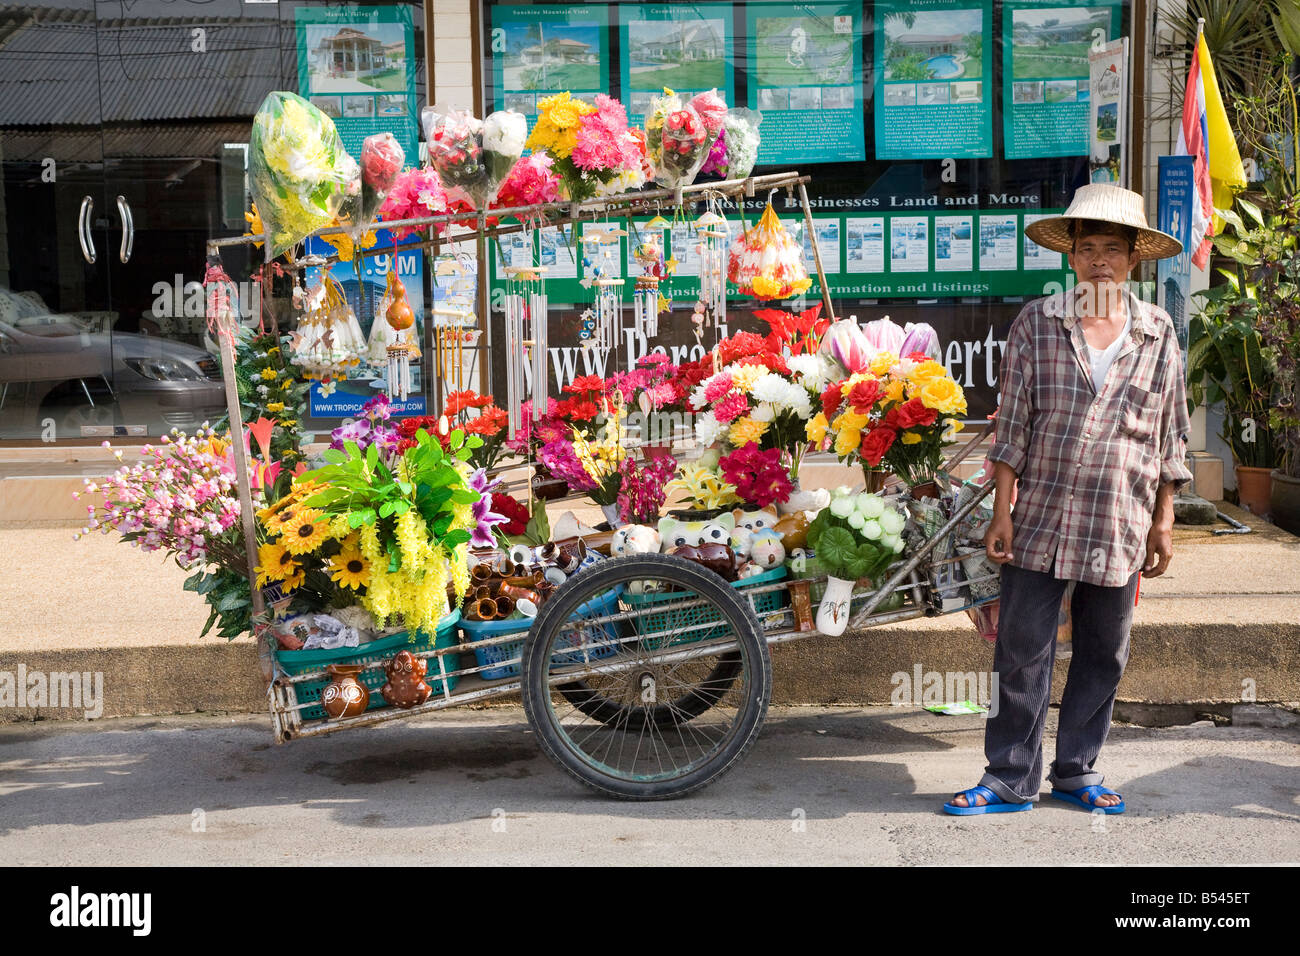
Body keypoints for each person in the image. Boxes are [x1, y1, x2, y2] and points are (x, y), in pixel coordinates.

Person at [944, 184, 1192, 815]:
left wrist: (1164, 521)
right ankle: (1008, 777)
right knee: (1021, 649)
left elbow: (1170, 434)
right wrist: (1001, 510)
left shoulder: (1158, 332)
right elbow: (1014, 428)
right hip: (1042, 515)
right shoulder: (1038, 321)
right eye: (1089, 249)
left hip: (1121, 518)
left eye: (1114, 249)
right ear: (1072, 257)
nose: (1101, 261)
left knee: (1105, 652)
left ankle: (1077, 769)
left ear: (1134, 259)